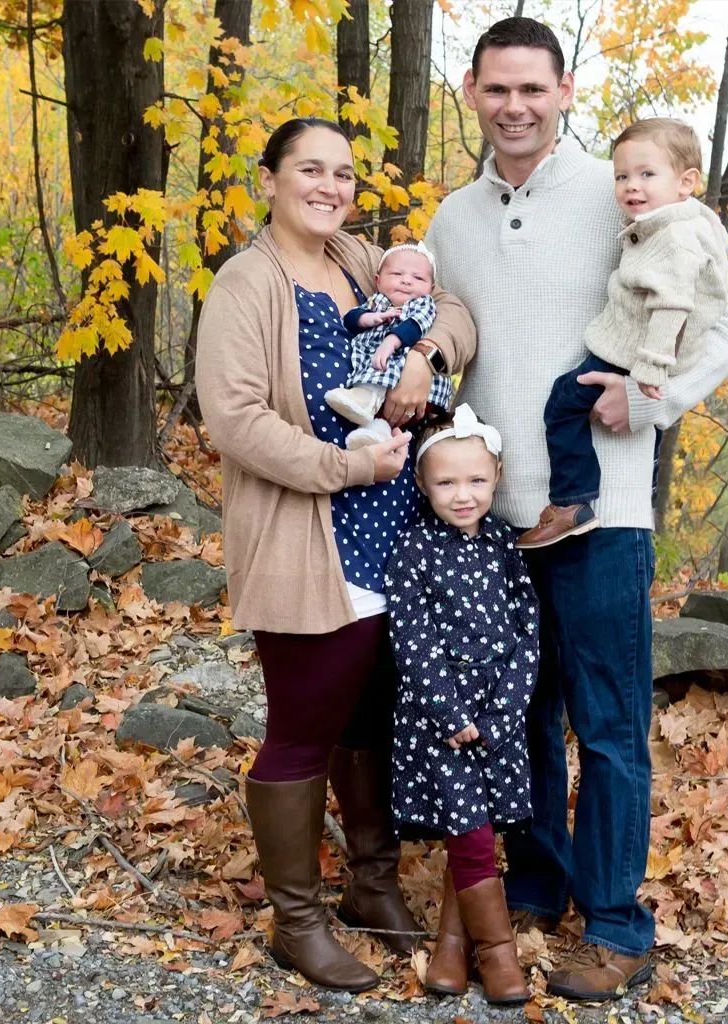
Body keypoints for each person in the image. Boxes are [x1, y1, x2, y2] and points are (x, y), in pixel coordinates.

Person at [423, 17, 728, 1002]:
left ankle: (614, 925)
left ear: (564, 92)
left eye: (534, 88)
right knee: (519, 717)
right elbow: (446, 332)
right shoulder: (452, 221)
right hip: (494, 520)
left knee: (607, 729)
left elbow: (720, 332)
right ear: (473, 93)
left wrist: (648, 402)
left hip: (604, 514)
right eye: (497, 89)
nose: (515, 106)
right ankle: (534, 885)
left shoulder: (623, 196)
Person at [195, 116, 476, 993]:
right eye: (310, 170)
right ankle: (297, 922)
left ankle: (371, 885)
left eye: (344, 174)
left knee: (373, 716)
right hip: (308, 536)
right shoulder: (247, 282)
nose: (330, 187)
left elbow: (455, 310)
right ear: (270, 179)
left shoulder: (360, 260)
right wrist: (344, 467)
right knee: (304, 729)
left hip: (395, 531)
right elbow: (234, 420)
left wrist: (423, 355)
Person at [519, 118, 728, 550]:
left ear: (686, 181)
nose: (632, 185)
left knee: (563, 403)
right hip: (636, 348)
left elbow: (673, 305)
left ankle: (572, 502)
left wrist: (651, 370)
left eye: (647, 174)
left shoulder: (676, 238)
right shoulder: (675, 223)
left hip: (635, 352)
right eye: (621, 177)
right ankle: (577, 499)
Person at [385, 405, 537, 1007]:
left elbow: (528, 631)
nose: (463, 494)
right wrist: (451, 714)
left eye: (476, 480)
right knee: (470, 831)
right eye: (446, 482)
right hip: (441, 720)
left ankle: (451, 948)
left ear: (496, 478)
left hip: (497, 716)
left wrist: (503, 714)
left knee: (475, 826)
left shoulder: (504, 544)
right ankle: (498, 953)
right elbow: (411, 638)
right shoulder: (414, 548)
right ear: (424, 486)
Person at [326, 242, 454, 450]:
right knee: (378, 369)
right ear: (378, 281)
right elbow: (350, 319)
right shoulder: (377, 301)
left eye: (418, 278)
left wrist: (391, 342)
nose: (406, 281)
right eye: (396, 274)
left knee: (384, 365)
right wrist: (368, 318)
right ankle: (376, 432)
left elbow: (415, 325)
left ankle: (364, 401)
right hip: (384, 371)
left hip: (415, 387)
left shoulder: (423, 304)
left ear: (431, 289)